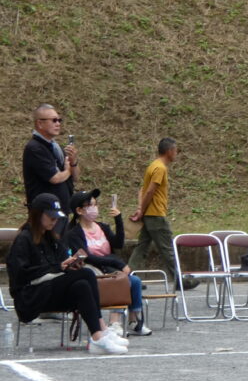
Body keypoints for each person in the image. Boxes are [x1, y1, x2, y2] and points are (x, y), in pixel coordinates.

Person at [5, 193, 127, 355]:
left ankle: (97, 336)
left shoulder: (52, 238)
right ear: (38, 214)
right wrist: (58, 268)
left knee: (82, 285)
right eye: (51, 217)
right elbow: (21, 274)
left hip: (50, 290)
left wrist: (70, 265)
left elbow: (60, 265)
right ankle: (102, 329)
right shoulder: (24, 239)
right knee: (87, 274)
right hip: (31, 296)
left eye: (56, 218)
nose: (54, 221)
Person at [65, 189, 149, 337]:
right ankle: (114, 322)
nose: (94, 208)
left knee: (135, 281)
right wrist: (118, 264)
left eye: (95, 204)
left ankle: (134, 319)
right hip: (93, 269)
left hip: (109, 267)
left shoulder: (102, 227)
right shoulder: (73, 233)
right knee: (118, 281)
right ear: (79, 210)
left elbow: (118, 244)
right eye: (90, 205)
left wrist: (118, 219)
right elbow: (88, 257)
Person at [127, 138, 197, 291]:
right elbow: (150, 191)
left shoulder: (153, 165)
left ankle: (127, 278)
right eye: (175, 150)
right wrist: (142, 210)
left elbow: (142, 190)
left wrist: (141, 209)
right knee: (168, 249)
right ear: (169, 151)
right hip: (156, 215)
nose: (176, 154)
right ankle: (180, 280)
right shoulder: (160, 168)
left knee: (141, 248)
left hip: (149, 215)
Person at [22, 103, 79, 221]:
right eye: (54, 120)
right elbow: (55, 178)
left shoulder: (55, 147)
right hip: (45, 213)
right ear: (40, 123)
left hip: (61, 210)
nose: (58, 124)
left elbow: (76, 177)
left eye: (59, 120)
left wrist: (73, 162)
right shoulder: (35, 148)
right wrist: (68, 169)